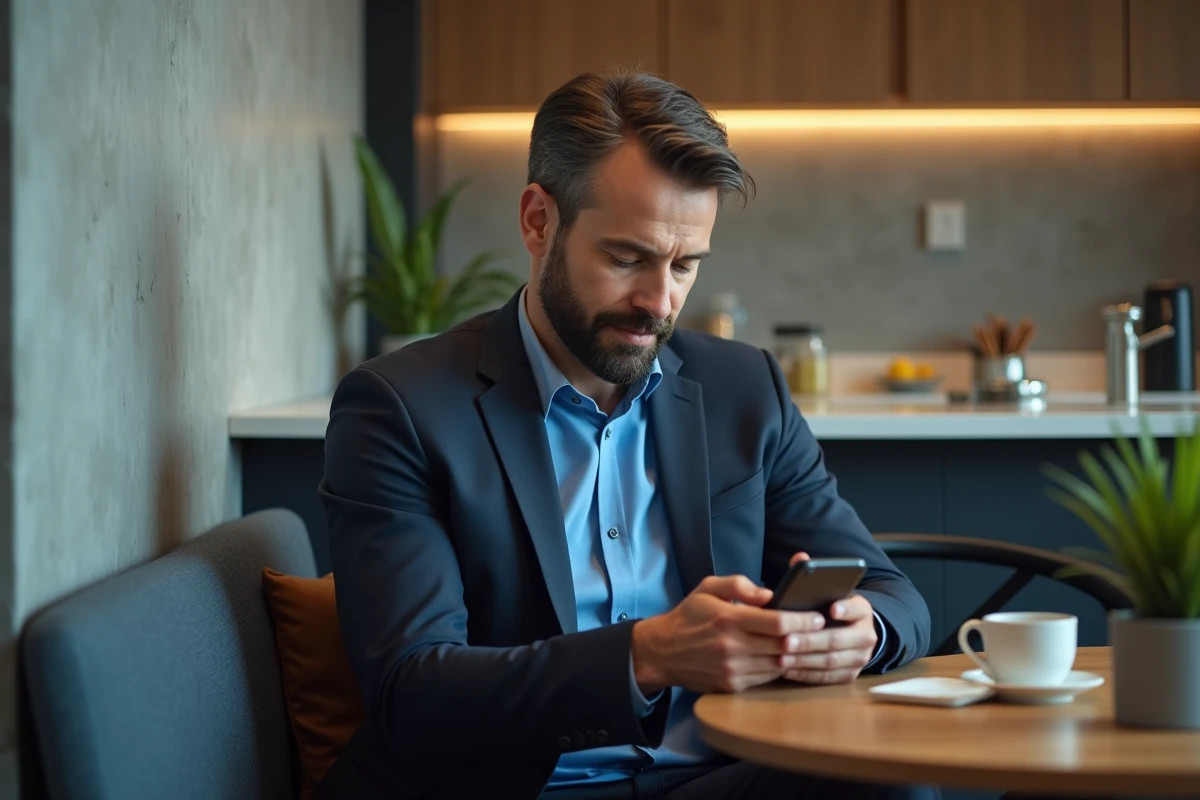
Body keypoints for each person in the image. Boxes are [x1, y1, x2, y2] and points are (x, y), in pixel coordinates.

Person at [316, 71, 936, 800]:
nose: (659, 302)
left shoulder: (745, 389)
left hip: (712, 777)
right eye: (627, 258)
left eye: (685, 264)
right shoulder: (401, 407)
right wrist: (647, 655)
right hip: (517, 789)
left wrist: (863, 630)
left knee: (894, 785)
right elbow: (412, 692)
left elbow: (894, 596)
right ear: (538, 222)